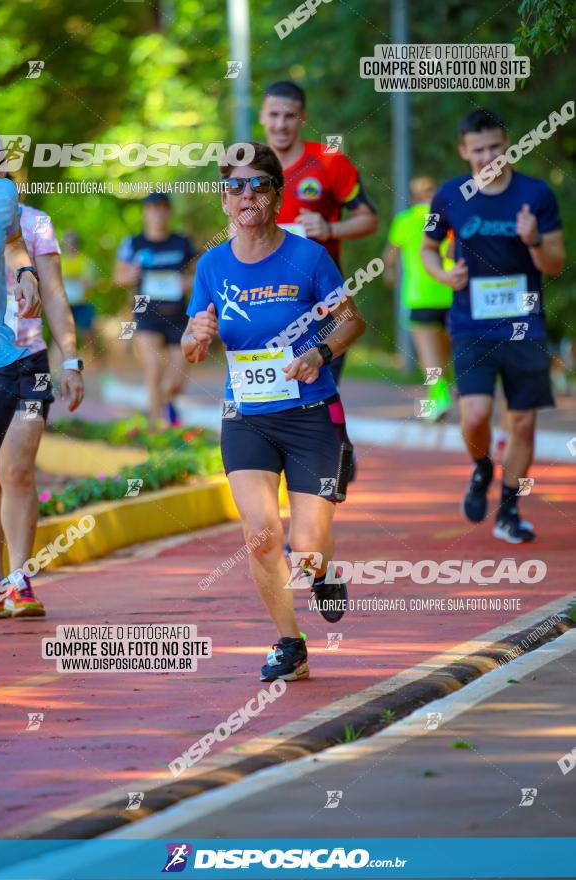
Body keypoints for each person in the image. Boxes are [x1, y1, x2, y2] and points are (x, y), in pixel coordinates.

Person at [181, 143, 365, 681]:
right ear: (223, 200)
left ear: (277, 196)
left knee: (307, 547)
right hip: (247, 419)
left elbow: (350, 321)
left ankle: (322, 569)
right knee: (260, 534)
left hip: (311, 414)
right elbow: (193, 348)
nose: (246, 195)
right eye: (234, 186)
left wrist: (319, 352)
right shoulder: (212, 266)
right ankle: (290, 643)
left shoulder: (307, 256)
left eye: (258, 185)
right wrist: (197, 336)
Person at [421, 109, 565, 543]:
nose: (488, 157)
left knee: (522, 423)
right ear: (464, 151)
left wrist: (534, 239)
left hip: (525, 322)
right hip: (471, 323)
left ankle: (509, 510)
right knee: (476, 413)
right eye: (478, 149)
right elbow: (429, 249)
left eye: (495, 147)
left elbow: (555, 264)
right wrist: (444, 274)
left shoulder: (536, 195)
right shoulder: (449, 196)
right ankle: (482, 466)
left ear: (508, 145)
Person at [0, 176, 84, 618]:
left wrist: (70, 360)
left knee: (16, 468)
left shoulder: (35, 224)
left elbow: (55, 292)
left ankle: (18, 579)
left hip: (29, 362)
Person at [259, 80, 377, 384]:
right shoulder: (250, 166)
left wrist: (329, 227)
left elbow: (369, 220)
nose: (281, 124)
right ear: (262, 116)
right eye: (274, 115)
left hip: (321, 301)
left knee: (322, 395)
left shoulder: (328, 160)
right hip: (263, 298)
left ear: (303, 119)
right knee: (273, 397)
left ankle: (332, 431)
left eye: (290, 116)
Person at [0, 129, 42, 617]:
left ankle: (18, 580)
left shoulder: (10, 205)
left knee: (15, 470)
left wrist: (26, 273)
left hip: (14, 358)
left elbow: (13, 244)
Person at [114, 192, 196, 424]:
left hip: (178, 316)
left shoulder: (182, 242)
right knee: (153, 369)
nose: (158, 213)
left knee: (176, 382)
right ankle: (155, 428)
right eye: (153, 208)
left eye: (162, 208)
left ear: (169, 212)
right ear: (145, 213)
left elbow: (199, 276)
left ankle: (166, 402)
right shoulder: (133, 243)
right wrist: (131, 274)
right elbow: (119, 277)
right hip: (146, 315)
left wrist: (187, 282)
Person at [383, 177, 453, 421]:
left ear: (412, 197)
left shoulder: (404, 220)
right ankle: (439, 398)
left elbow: (389, 258)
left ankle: (440, 395)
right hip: (451, 292)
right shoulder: (447, 216)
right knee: (444, 353)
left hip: (418, 296)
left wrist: (390, 274)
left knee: (429, 357)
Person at [59, 230, 97, 355]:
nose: (70, 246)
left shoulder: (85, 261)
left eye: (73, 242)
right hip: (64, 305)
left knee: (88, 337)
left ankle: (100, 368)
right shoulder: (58, 261)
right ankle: (55, 370)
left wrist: (81, 281)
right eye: (67, 242)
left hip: (82, 304)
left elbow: (91, 283)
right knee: (60, 337)